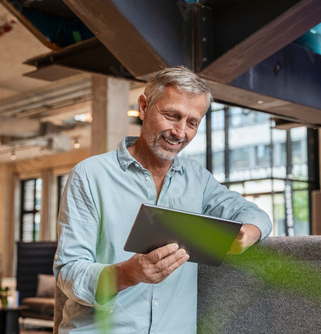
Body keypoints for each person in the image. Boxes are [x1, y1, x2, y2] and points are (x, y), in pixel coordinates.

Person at [54, 66, 272, 333]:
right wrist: (128, 273)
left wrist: (246, 234)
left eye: (192, 123)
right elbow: (69, 271)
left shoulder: (197, 179)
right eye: (172, 116)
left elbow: (253, 213)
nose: (180, 133)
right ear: (144, 108)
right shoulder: (90, 175)